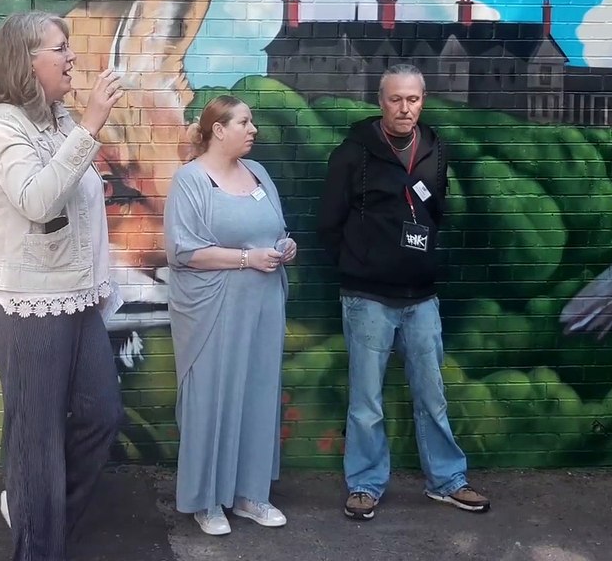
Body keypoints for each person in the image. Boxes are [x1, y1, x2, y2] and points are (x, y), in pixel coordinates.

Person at [0, 10, 128, 561]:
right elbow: (37, 201)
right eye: (60, 48)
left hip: (74, 294)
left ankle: (45, 520)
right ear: (26, 60)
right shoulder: (2, 125)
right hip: (22, 301)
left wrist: (78, 128)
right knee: (36, 439)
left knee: (100, 414)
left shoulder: (58, 120)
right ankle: (37, 545)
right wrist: (91, 127)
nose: (72, 57)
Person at [316, 64, 490, 521]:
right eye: (396, 99)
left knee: (433, 396)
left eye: (413, 99)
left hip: (422, 297)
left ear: (423, 101)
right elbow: (328, 223)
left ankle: (447, 481)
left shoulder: (435, 149)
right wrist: (361, 264)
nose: (405, 108)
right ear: (381, 101)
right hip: (367, 298)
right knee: (367, 401)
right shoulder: (353, 153)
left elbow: (436, 211)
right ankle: (365, 485)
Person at [162, 94, 296, 536]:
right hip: (212, 309)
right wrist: (246, 260)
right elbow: (183, 251)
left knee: (258, 394)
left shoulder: (259, 173)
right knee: (212, 398)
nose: (252, 129)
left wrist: (283, 247)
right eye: (244, 122)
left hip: (262, 305)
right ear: (218, 130)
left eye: (252, 121)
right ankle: (207, 500)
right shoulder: (191, 180)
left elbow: (275, 228)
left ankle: (249, 495)